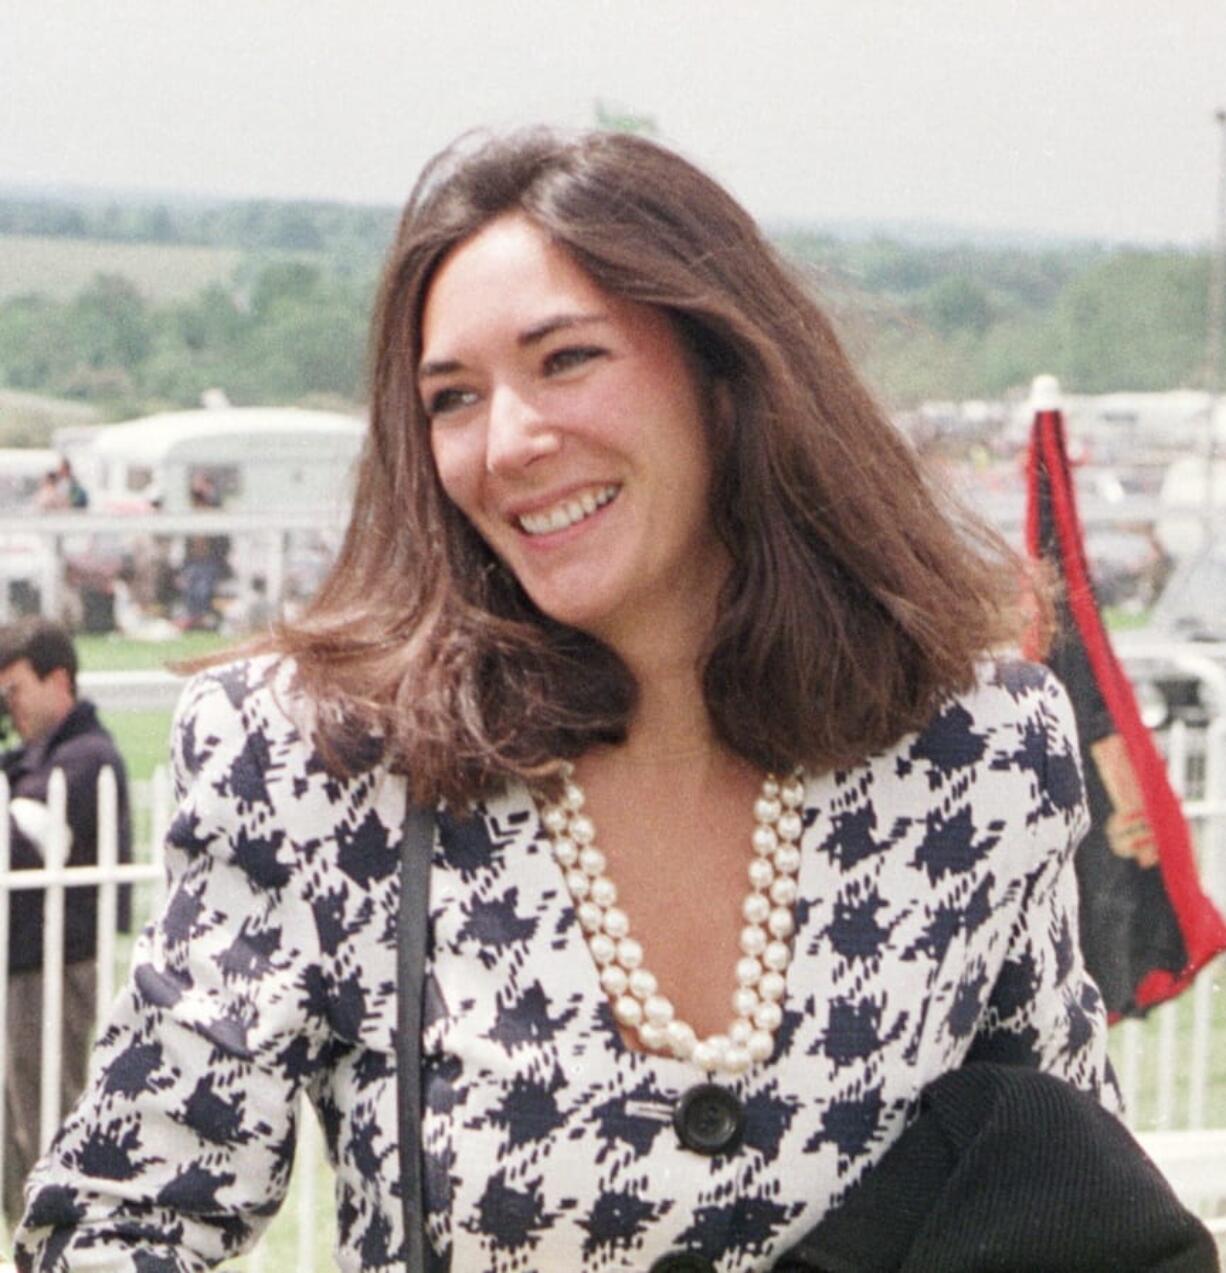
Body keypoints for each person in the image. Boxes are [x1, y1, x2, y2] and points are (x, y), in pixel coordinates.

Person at [16, 130, 1119, 1271]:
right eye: (451, 397)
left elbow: (1075, 1210)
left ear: (722, 370)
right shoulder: (315, 762)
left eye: (565, 360)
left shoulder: (975, 751)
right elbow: (115, 1223)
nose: (508, 443)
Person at [0, 618, 132, 1227]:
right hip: (23, 964)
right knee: (15, 1123)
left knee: (50, 1114)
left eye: (15, 690)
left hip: (58, 967)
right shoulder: (34, 759)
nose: (10, 705)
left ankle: (61, 1239)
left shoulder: (88, 757)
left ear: (59, 681)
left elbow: (31, 842)